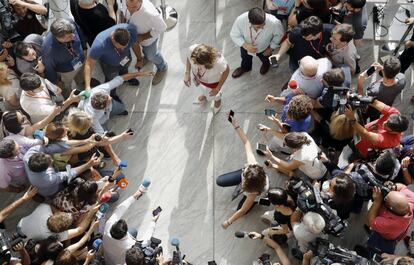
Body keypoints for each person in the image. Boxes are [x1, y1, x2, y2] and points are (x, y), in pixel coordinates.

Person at [216, 115, 269, 229]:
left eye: (243, 177)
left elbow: (243, 210)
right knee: (220, 181)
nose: (242, 175)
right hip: (255, 181)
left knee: (242, 210)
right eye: (244, 173)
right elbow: (246, 142)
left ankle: (255, 204)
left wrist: (228, 222)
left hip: (256, 189)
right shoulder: (252, 165)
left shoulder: (253, 194)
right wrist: (236, 125)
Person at [78, 71, 154, 134]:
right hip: (100, 121)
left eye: (107, 96)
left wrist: (140, 74)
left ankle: (116, 111)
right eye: (108, 100)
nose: (110, 97)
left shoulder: (102, 89)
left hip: (109, 108)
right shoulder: (92, 117)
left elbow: (121, 78)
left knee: (122, 108)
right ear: (103, 107)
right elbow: (100, 132)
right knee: (105, 133)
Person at [340, 99, 409, 166]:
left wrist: (352, 119)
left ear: (394, 132)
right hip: (359, 134)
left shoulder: (391, 140)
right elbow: (375, 103)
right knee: (352, 143)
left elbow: (365, 135)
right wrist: (360, 98)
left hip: (363, 149)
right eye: (387, 120)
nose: (384, 123)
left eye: (387, 125)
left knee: (354, 157)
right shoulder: (395, 115)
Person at [103, 184, 153, 265]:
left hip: (108, 257)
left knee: (133, 231)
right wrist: (153, 221)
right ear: (125, 232)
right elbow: (146, 241)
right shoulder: (130, 244)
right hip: (118, 262)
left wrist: (134, 196)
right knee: (134, 231)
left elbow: (118, 209)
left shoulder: (108, 224)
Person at [121, 0, 168, 85]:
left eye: (134, 7)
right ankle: (146, 57)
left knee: (152, 55)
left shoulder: (150, 13)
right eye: (128, 6)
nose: (130, 9)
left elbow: (162, 28)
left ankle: (162, 67)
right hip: (135, 36)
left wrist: (143, 37)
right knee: (147, 53)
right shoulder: (126, 1)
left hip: (148, 40)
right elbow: (125, 13)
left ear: (141, 1)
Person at [84, 24, 141, 93]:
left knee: (125, 69)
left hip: (125, 59)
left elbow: (135, 44)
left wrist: (139, 59)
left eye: (125, 46)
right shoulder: (99, 45)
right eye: (120, 47)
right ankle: (112, 93)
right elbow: (89, 64)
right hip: (110, 65)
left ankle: (126, 78)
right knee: (112, 79)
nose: (123, 49)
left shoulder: (131, 30)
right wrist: (87, 86)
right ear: (113, 39)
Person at [24, 147, 101, 197]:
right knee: (61, 190)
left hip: (38, 182)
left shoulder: (29, 154)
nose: (52, 160)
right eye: (50, 162)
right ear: (45, 169)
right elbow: (70, 173)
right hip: (51, 190)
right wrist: (89, 164)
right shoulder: (48, 179)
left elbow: (50, 147)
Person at [230, 7, 283, 78]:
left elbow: (279, 35)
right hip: (246, 46)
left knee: (265, 58)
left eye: (263, 25)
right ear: (250, 22)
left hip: (264, 47)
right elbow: (234, 34)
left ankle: (266, 64)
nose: (261, 28)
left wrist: (271, 48)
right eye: (258, 27)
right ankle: (245, 68)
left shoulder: (274, 22)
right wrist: (245, 45)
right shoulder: (240, 20)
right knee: (245, 58)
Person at [42, 18, 87, 98]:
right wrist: (55, 83)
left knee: (82, 77)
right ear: (59, 38)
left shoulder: (69, 24)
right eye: (69, 36)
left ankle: (83, 86)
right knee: (66, 87)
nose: (74, 36)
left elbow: (79, 31)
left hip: (81, 60)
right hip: (67, 72)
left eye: (73, 33)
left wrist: (84, 47)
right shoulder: (48, 51)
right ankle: (71, 100)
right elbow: (49, 69)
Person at [366, 184, 414, 254]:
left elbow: (370, 222)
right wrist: (393, 187)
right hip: (397, 233)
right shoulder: (410, 200)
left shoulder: (393, 223)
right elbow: (403, 187)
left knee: (374, 250)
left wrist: (377, 202)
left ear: (391, 208)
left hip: (384, 239)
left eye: (386, 198)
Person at [184, 44, 229, 114]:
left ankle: (217, 100)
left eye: (197, 63)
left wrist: (218, 88)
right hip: (199, 78)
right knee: (203, 89)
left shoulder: (218, 62)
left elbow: (226, 70)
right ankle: (205, 95)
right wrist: (187, 72)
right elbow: (188, 58)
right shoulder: (193, 50)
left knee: (213, 94)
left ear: (207, 62)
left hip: (212, 82)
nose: (194, 64)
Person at [18, 202, 99, 241]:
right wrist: (90, 214)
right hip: (24, 241)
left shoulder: (44, 208)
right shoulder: (57, 236)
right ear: (63, 230)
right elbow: (79, 230)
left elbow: (50, 206)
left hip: (20, 225)